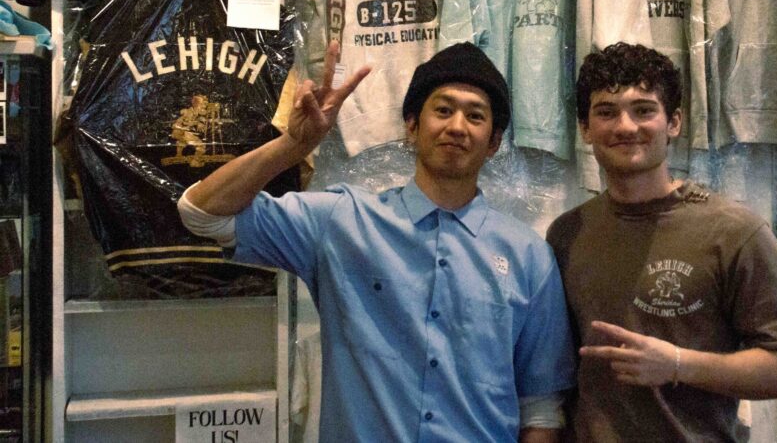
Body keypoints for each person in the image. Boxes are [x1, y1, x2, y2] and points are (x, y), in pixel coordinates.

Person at [177, 41, 576, 442]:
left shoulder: (528, 257)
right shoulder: (341, 221)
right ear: (411, 127)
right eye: (443, 110)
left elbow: (540, 409)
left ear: (493, 143)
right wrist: (293, 147)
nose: (457, 126)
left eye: (475, 116)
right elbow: (203, 213)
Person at [546, 42, 777, 442]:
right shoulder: (566, 234)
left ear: (674, 122)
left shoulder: (736, 232)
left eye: (643, 110)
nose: (625, 127)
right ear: (585, 128)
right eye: (606, 112)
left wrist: (678, 364)